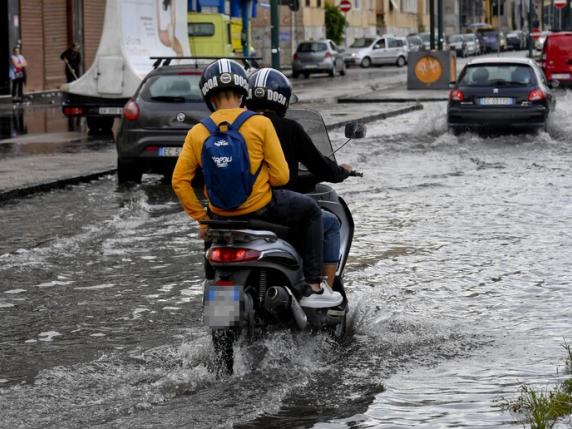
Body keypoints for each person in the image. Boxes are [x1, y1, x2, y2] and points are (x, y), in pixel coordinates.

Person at [172, 59, 342, 308]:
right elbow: (282, 176)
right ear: (243, 93)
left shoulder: (198, 132)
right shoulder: (259, 123)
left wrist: (201, 218)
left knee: (213, 237)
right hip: (261, 207)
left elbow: (179, 182)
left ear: (208, 95)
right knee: (311, 211)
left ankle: (212, 283)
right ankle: (314, 286)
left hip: (219, 216)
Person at [246, 68, 352, 288]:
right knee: (331, 224)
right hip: (272, 206)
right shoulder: (289, 128)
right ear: (282, 100)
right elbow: (320, 166)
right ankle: (322, 290)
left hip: (236, 208)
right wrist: (340, 171)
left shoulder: (237, 126)